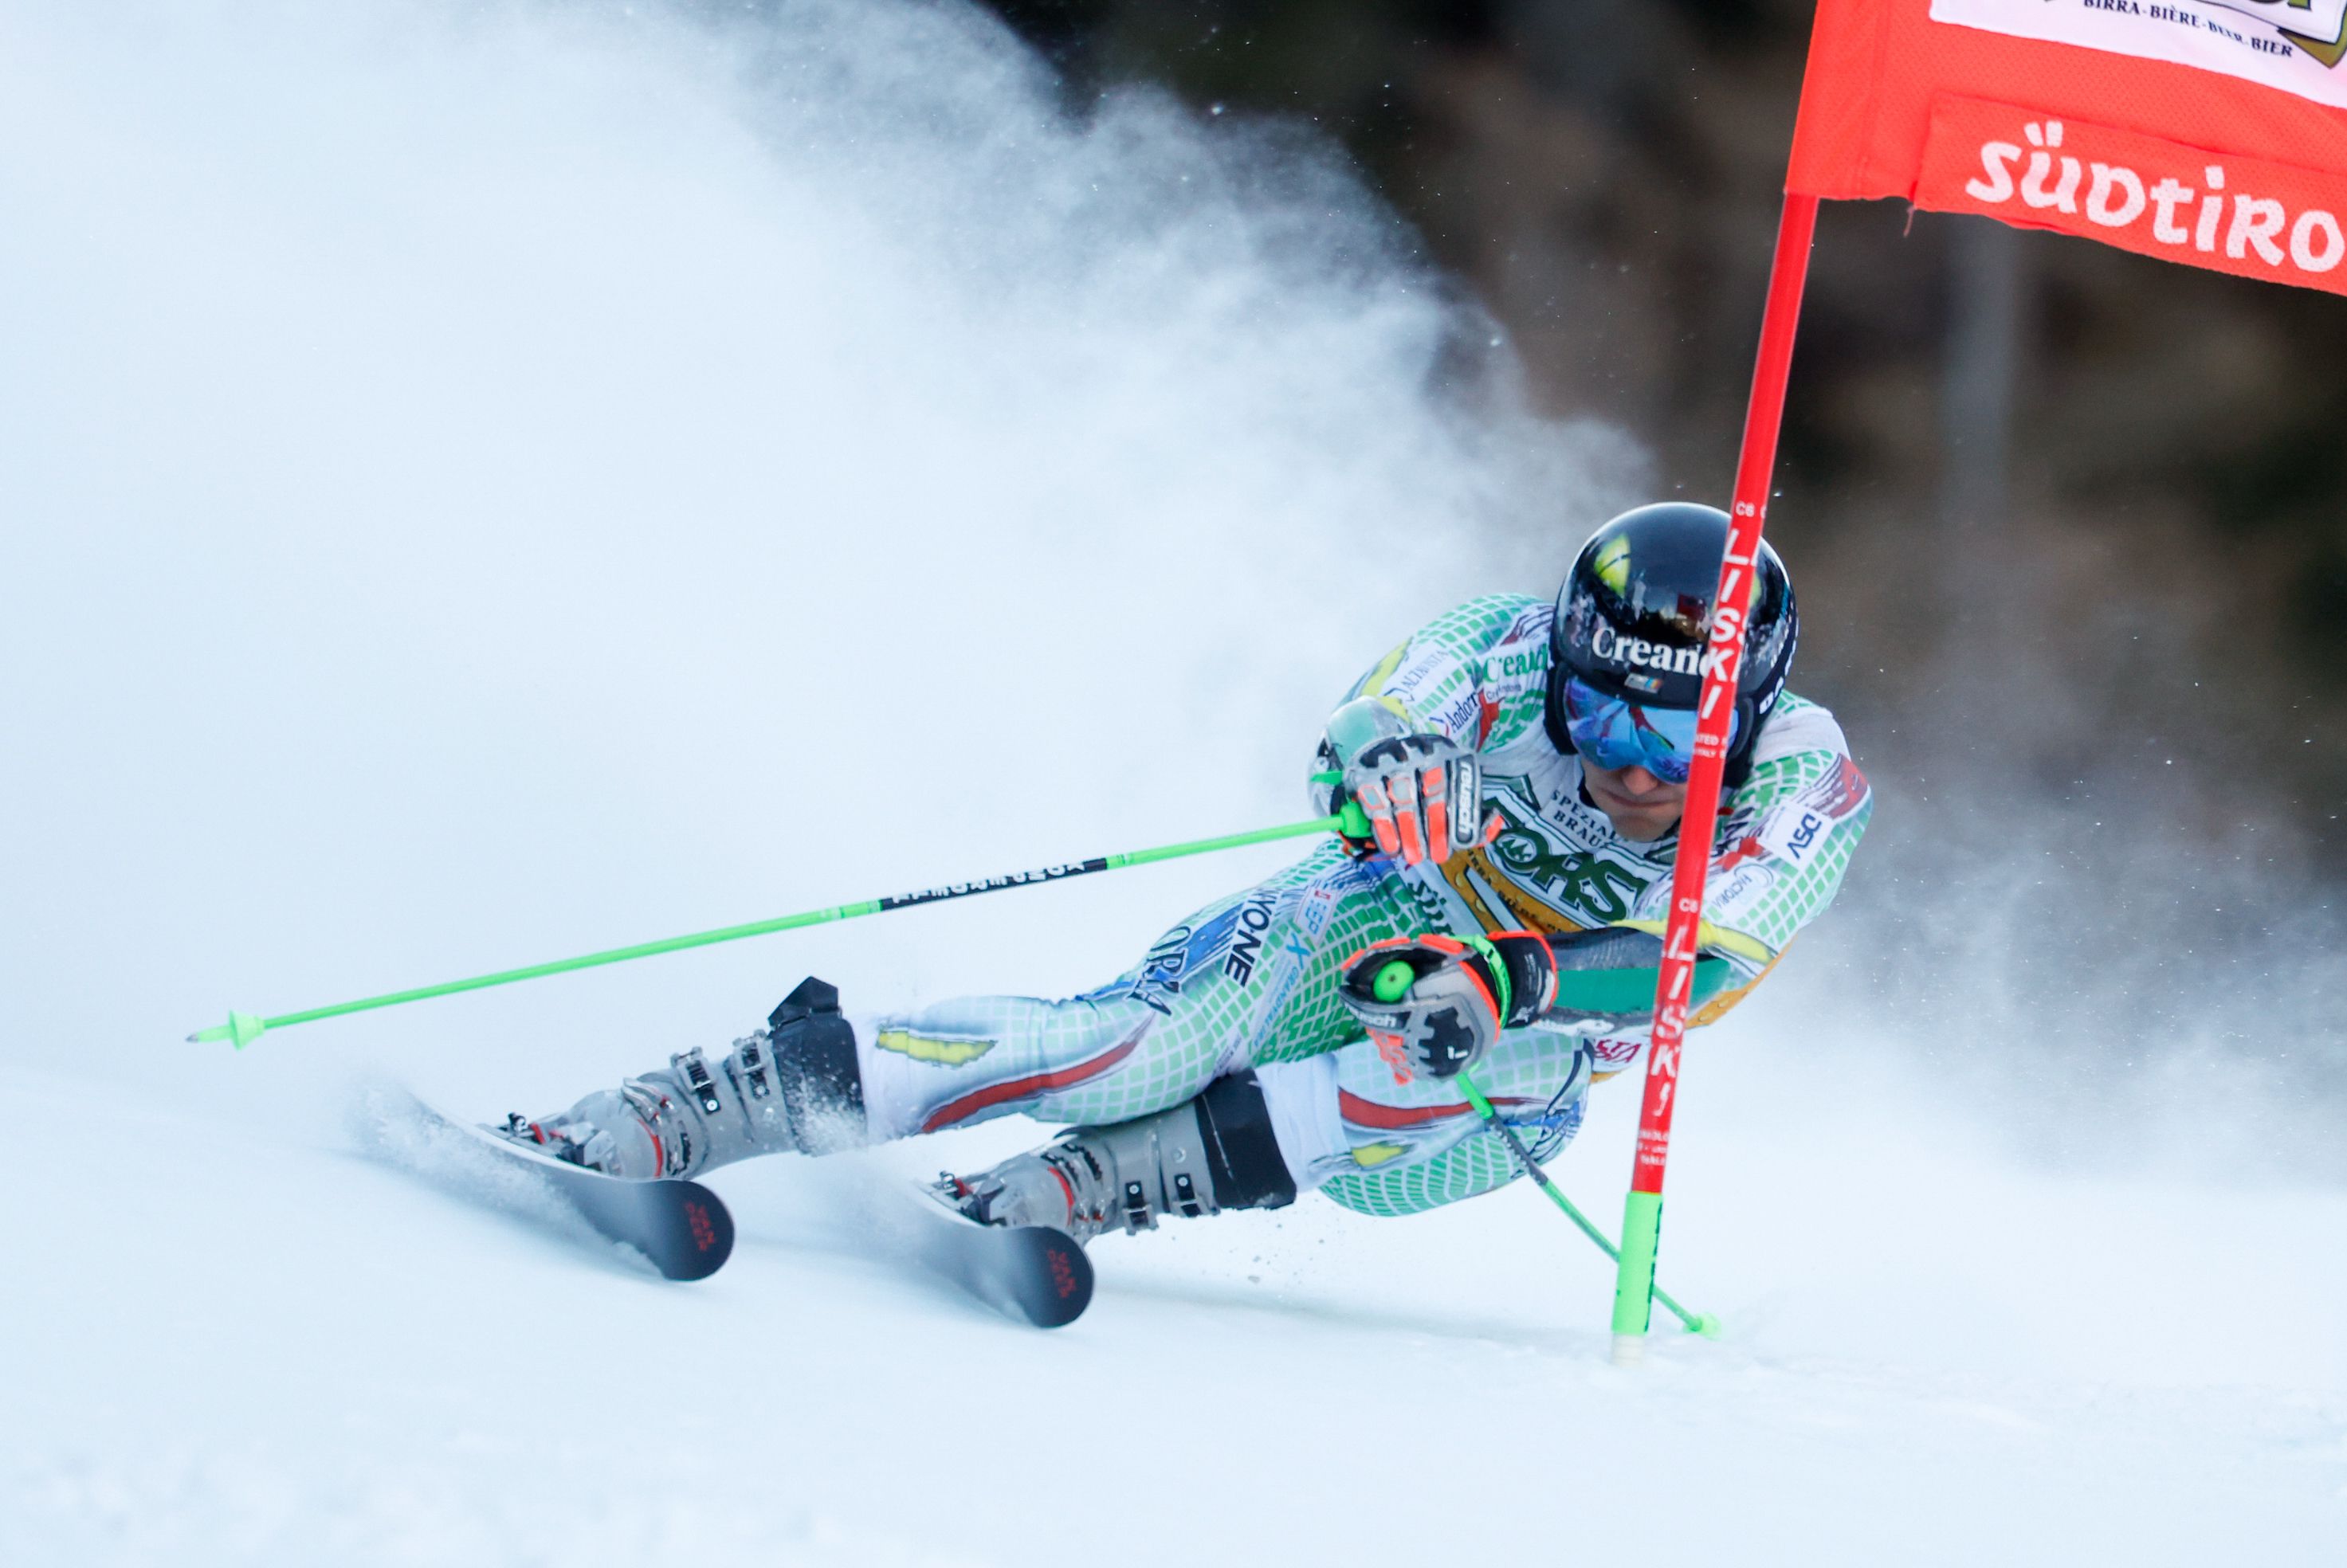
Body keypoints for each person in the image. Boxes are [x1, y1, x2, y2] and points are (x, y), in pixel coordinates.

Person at [501, 502, 1872, 1240]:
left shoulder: (1810, 781)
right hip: (1369, 918)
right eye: (1605, 711)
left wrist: (1510, 979)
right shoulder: (1505, 646)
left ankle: (1103, 1187)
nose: (1634, 763)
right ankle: (705, 1100)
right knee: (1131, 1052)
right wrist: (1387, 760)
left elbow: (1693, 967)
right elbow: (1369, 719)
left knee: (1514, 1067)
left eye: (1678, 727)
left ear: (1747, 712)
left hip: (1502, 1058)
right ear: (1564, 663)